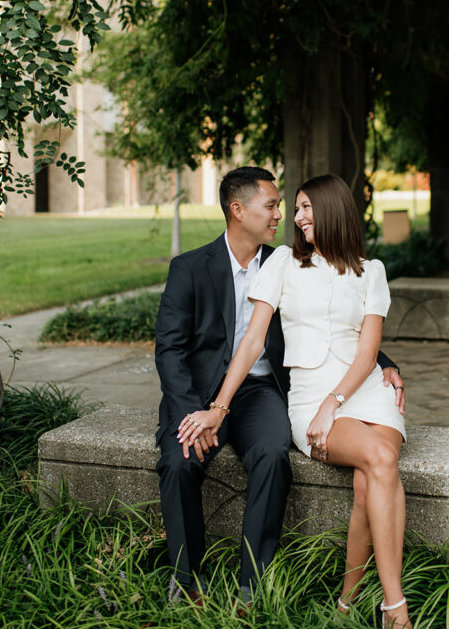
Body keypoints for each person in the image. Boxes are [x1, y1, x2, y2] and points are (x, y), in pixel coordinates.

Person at [156, 166, 404, 603]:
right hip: (199, 392)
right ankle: (187, 581)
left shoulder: (284, 260)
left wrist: (383, 363)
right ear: (238, 210)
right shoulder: (190, 267)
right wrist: (196, 410)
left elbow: (334, 322)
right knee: (179, 462)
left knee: (272, 455)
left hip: (260, 391)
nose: (281, 216)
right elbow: (170, 350)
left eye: (285, 207)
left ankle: (251, 585)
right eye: (271, 206)